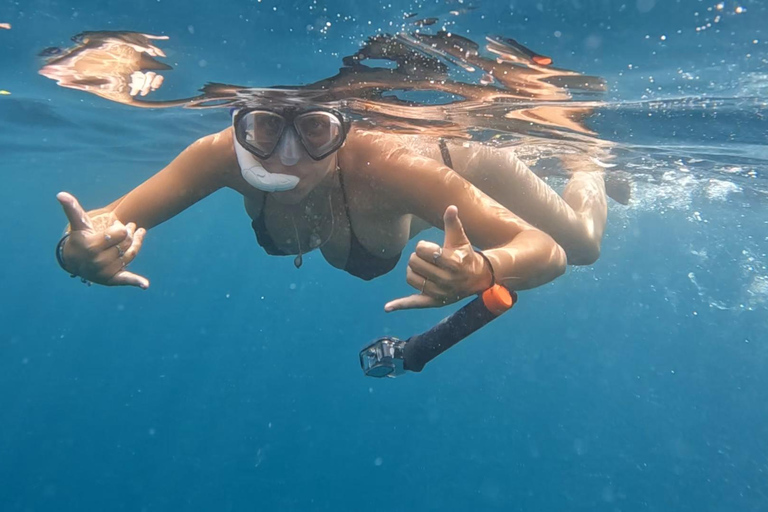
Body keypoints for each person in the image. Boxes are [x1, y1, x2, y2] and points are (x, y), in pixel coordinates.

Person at [55, 102, 608, 312]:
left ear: (343, 129)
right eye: (268, 127)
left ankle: (591, 165)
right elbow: (99, 223)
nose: (289, 157)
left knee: (583, 245)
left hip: (463, 163)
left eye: (316, 129)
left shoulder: (392, 166)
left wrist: (488, 268)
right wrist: (77, 255)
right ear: (242, 124)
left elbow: (547, 251)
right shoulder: (221, 157)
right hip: (387, 216)